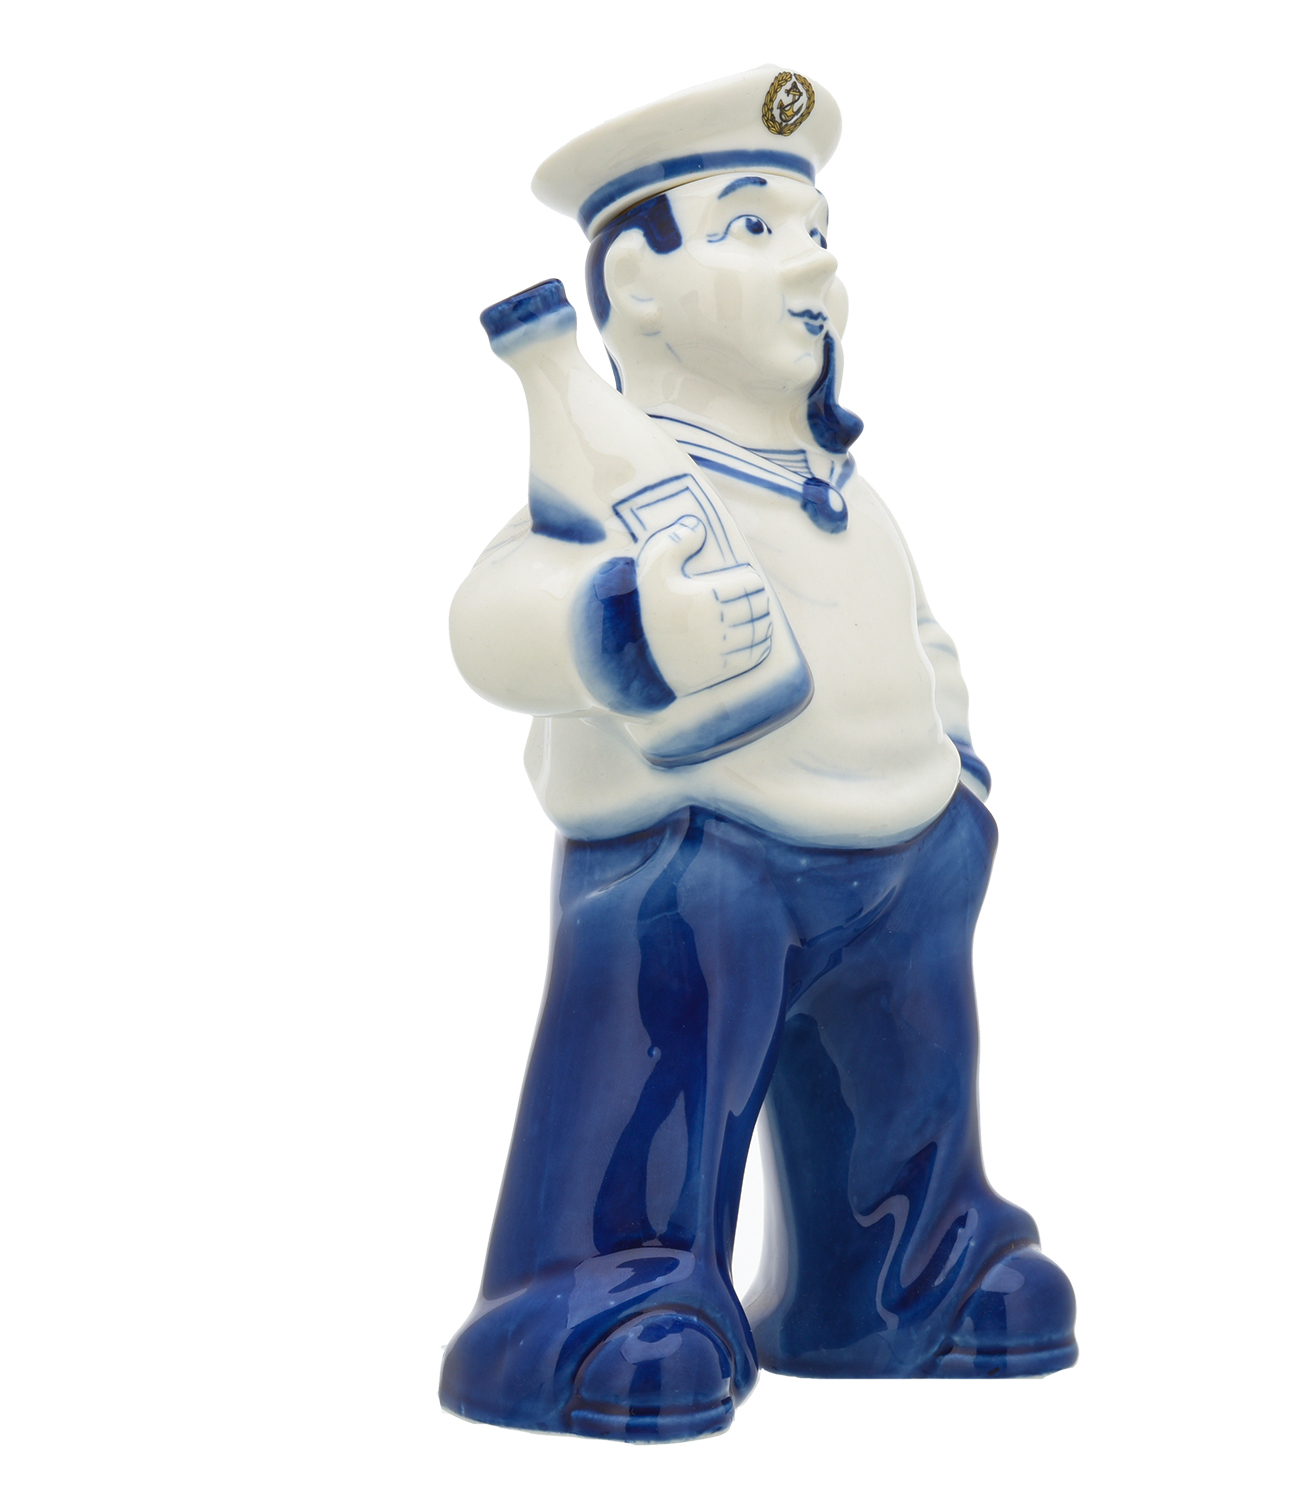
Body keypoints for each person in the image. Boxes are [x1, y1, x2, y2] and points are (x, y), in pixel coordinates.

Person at [440, 66, 1077, 1443]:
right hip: (701, 856)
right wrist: (622, 622)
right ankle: (605, 1287)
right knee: (659, 1070)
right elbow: (493, 616)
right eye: (752, 227)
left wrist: (959, 775)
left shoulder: (839, 486)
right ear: (637, 287)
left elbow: (917, 628)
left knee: (909, 1088)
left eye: (817, 229)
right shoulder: (613, 471)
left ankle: (902, 1272)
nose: (815, 264)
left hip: (907, 861)